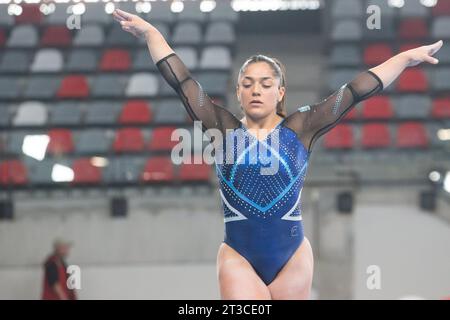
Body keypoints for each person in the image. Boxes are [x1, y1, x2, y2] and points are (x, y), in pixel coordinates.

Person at [113, 8, 443, 300]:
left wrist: (403, 58)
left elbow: (354, 92)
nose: (256, 89)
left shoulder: (301, 127)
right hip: (238, 255)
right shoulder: (223, 128)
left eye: (266, 83)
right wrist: (152, 33)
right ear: (239, 92)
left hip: (293, 257)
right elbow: (182, 82)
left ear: (280, 91)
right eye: (248, 83)